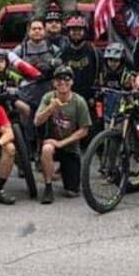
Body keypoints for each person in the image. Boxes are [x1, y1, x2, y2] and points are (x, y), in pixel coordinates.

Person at [33, 66, 93, 203]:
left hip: (70, 147)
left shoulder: (79, 101)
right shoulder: (48, 97)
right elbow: (36, 122)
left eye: (67, 79)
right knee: (47, 149)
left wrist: (61, 143)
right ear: (54, 83)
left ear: (72, 82)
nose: (62, 83)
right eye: (59, 79)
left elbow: (84, 130)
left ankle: (63, 170)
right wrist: (50, 109)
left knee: (72, 192)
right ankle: (48, 187)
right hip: (51, 142)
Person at [59, 16, 99, 103]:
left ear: (84, 32)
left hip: (89, 97)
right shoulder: (64, 51)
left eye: (79, 30)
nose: (76, 33)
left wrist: (94, 96)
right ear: (69, 32)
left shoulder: (93, 50)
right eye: (73, 30)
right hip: (69, 96)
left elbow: (99, 73)